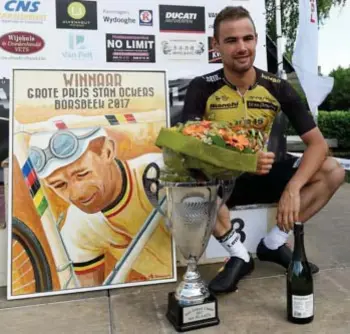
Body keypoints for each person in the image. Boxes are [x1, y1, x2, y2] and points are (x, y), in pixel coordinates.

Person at [181, 6, 346, 294]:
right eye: (231, 40)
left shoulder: (277, 86)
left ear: (256, 40)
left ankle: (273, 243)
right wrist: (240, 159)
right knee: (185, 181)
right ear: (216, 45)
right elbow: (187, 146)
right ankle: (239, 255)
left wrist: (294, 187)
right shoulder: (201, 87)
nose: (241, 47)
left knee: (332, 170)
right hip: (225, 180)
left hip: (267, 171)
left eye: (247, 38)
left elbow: (318, 144)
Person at [28, 127, 173, 287]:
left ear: (107, 152)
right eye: (60, 185)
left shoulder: (164, 175)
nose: (77, 194)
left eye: (82, 174)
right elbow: (91, 296)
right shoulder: (76, 228)